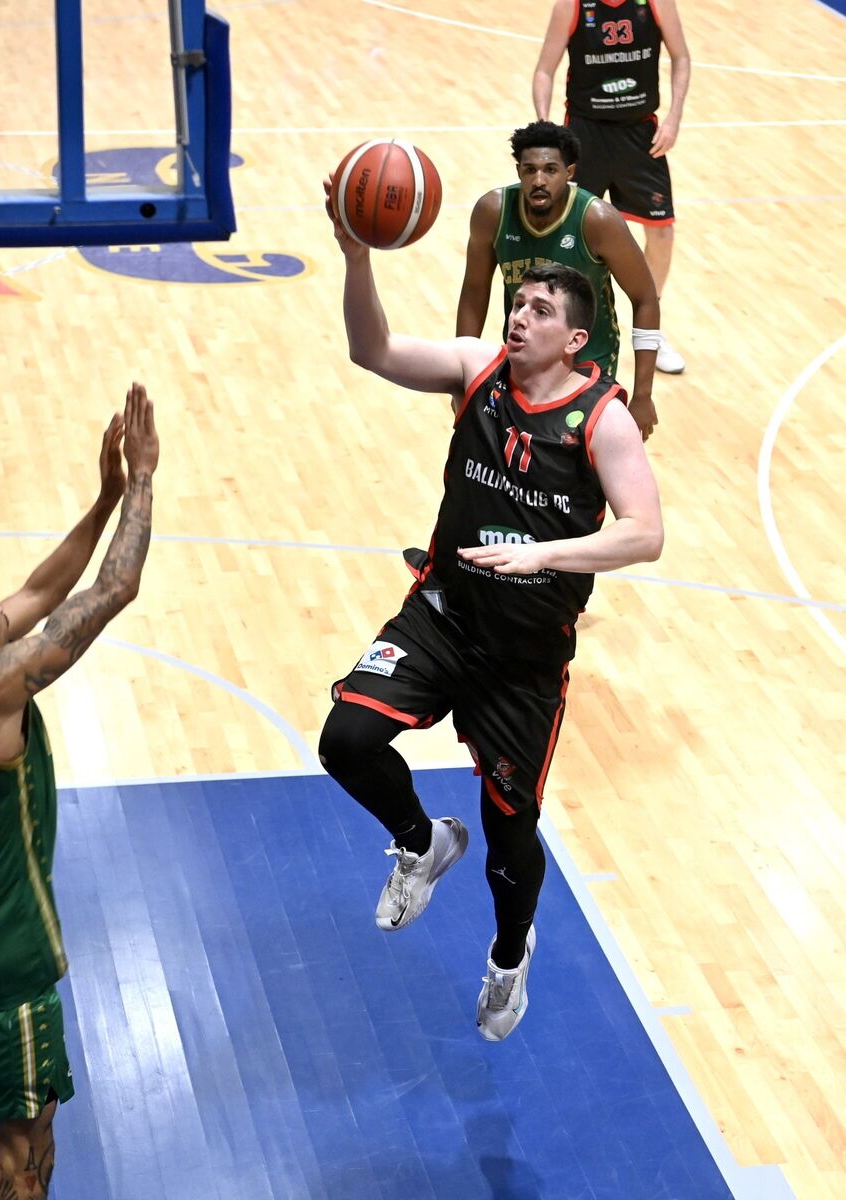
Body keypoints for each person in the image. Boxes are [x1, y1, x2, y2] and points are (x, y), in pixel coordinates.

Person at [319, 182, 663, 1042]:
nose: (518, 316)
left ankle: (510, 958)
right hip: (443, 613)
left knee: (512, 844)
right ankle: (419, 840)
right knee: (346, 741)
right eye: (517, 302)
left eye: (539, 309)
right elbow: (375, 350)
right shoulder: (478, 370)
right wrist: (357, 253)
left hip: (524, 659)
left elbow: (645, 535)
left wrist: (542, 554)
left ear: (575, 338)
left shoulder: (601, 419)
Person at [0, 383, 159, 1200]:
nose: (1, 603)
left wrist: (103, 498)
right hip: (2, 958)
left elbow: (43, 591)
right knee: (27, 1148)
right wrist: (146, 478)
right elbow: (111, 592)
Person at [456, 120, 660, 440]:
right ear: (519, 171)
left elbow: (645, 298)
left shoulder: (597, 220)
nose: (539, 180)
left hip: (587, 367)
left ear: (570, 172)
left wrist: (644, 395)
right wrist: (463, 378)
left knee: (579, 474)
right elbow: (473, 292)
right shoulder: (492, 212)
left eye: (550, 170)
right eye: (530, 170)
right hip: (522, 363)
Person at [531, 0, 691, 374]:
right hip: (585, 132)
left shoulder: (655, 3)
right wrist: (546, 127)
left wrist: (674, 117)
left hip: (641, 134)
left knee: (662, 232)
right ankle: (561, 329)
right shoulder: (572, 5)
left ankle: (650, 331)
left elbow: (682, 57)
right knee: (568, 237)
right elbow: (544, 70)